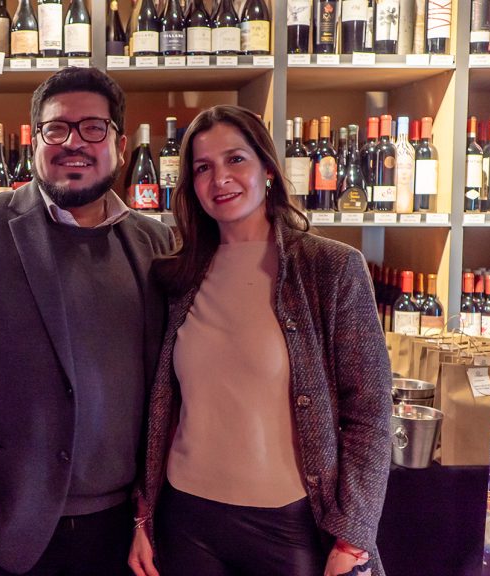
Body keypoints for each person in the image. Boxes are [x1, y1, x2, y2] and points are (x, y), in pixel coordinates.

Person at [0, 67, 174, 576]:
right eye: (57, 128)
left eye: (93, 128)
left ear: (119, 144)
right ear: (35, 142)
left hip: (119, 531)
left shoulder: (153, 242)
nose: (74, 142)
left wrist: (148, 510)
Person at [128, 105, 392, 576]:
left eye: (235, 159)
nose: (220, 179)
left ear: (267, 168)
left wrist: (352, 537)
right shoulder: (177, 275)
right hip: (186, 520)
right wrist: (144, 516)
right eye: (203, 168)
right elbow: (161, 409)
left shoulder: (330, 268)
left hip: (289, 527)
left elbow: (369, 412)